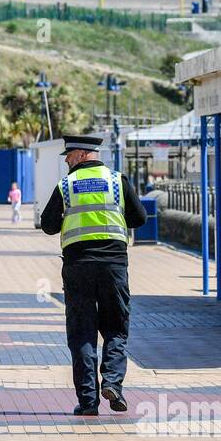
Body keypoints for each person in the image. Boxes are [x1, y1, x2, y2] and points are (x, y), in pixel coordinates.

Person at [40, 134, 147, 416]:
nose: (66, 160)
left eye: (69, 155)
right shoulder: (117, 181)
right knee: (115, 327)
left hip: (77, 268)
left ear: (83, 154)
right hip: (113, 266)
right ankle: (112, 383)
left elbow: (48, 226)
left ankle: (88, 402)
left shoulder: (66, 186)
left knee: (82, 333)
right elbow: (140, 218)